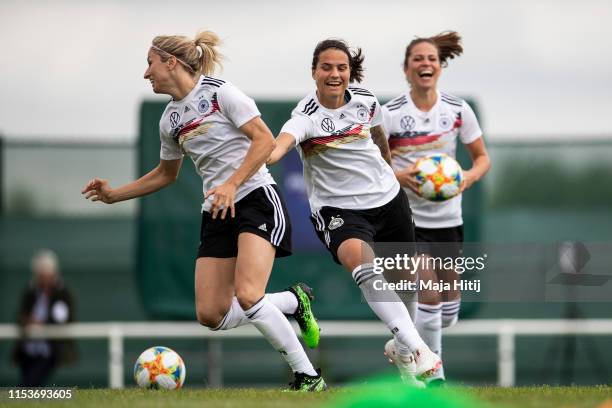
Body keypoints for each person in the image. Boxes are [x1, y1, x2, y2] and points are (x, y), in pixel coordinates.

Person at [81, 30, 325, 391]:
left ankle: (308, 376)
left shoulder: (220, 91)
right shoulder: (169, 120)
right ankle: (293, 299)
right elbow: (167, 174)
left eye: (150, 64)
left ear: (171, 62)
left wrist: (231, 183)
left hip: (257, 198)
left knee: (248, 294)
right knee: (211, 314)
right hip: (216, 211)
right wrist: (116, 194)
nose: (146, 73)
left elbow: (265, 140)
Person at [267, 38, 441, 386]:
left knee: (406, 283)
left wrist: (390, 172)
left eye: (341, 67)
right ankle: (419, 349)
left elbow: (379, 137)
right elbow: (277, 148)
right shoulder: (304, 118)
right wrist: (260, 155)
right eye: (327, 67)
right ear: (314, 72)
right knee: (364, 268)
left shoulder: (366, 100)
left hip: (388, 201)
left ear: (350, 72)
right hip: (340, 211)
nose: (334, 74)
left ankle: (403, 351)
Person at [382, 31, 491, 386]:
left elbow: (482, 160)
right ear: (406, 68)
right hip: (407, 221)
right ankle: (435, 378)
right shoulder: (391, 114)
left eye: (431, 59)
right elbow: (376, 166)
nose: (425, 64)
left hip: (449, 220)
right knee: (427, 293)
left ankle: (403, 347)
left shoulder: (458, 110)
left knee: (447, 314)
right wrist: (400, 176)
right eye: (418, 59)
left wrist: (466, 179)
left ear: (439, 67)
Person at [12, 249, 77, 386]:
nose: (44, 279)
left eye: (46, 275)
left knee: (28, 385)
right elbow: (20, 315)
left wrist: (41, 323)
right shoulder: (31, 290)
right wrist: (28, 322)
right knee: (28, 387)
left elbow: (63, 319)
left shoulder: (62, 292)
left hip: (49, 350)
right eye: (41, 275)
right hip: (28, 349)